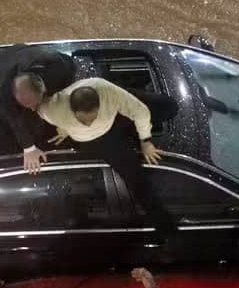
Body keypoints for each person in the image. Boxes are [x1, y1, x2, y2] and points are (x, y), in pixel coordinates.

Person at [38, 78, 179, 235]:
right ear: (72, 110)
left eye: (92, 118)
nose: (88, 123)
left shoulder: (109, 94)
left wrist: (145, 142)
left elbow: (141, 111)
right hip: (96, 142)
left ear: (99, 105)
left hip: (112, 122)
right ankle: (167, 228)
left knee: (169, 107)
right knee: (134, 176)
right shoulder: (52, 109)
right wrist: (64, 127)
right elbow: (35, 105)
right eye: (82, 120)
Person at [0, 44, 76, 172]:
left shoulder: (60, 67)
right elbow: (12, 116)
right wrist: (29, 148)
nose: (32, 110)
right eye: (26, 106)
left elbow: (67, 90)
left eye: (35, 104)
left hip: (31, 54)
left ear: (43, 87)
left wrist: (65, 123)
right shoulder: (3, 87)